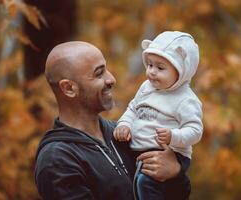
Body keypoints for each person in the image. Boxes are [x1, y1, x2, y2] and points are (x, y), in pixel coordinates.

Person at [34, 41, 191, 200]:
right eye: (99, 73)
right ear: (69, 88)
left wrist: (175, 173)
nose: (111, 79)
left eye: (106, 69)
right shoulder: (57, 159)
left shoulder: (124, 134)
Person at [113, 31, 203, 200]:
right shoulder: (146, 87)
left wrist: (173, 136)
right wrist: (124, 124)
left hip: (171, 153)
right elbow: (133, 108)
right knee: (133, 180)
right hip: (140, 148)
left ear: (181, 71)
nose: (152, 72)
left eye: (160, 68)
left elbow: (195, 130)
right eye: (149, 65)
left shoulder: (186, 100)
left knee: (145, 182)